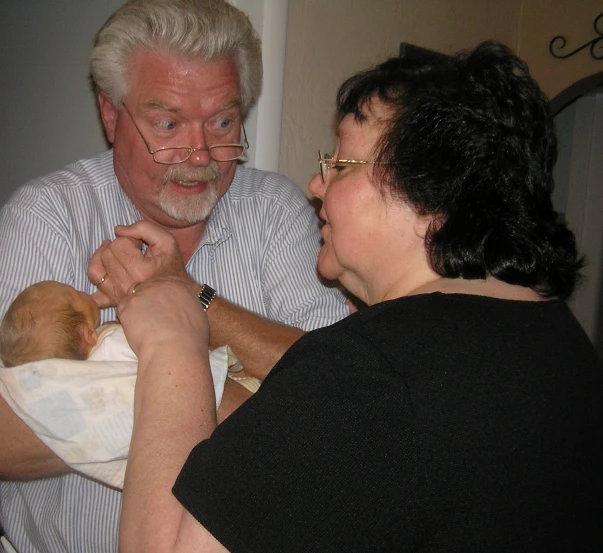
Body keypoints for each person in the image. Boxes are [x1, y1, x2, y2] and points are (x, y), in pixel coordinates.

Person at [114, 41, 603, 552]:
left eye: (341, 164)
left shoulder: (370, 371)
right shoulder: (561, 344)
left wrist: (172, 340)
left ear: (430, 199)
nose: (316, 183)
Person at [0, 0, 347, 551]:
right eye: (168, 123)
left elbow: (342, 404)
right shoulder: (50, 214)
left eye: (223, 121)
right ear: (111, 115)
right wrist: (193, 385)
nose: (200, 153)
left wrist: (187, 300)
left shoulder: (277, 213)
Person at [0, 280, 231, 490]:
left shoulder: (69, 394)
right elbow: (173, 345)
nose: (81, 290)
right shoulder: (114, 343)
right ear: (87, 334)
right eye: (75, 293)